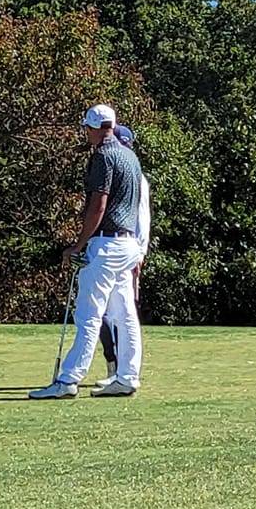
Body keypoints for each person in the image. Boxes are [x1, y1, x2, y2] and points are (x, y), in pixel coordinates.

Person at [30, 105, 144, 399]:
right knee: (124, 314)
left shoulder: (103, 156)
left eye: (87, 129)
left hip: (105, 244)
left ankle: (68, 379)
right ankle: (127, 376)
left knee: (88, 315)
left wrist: (78, 245)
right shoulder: (130, 156)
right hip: (128, 244)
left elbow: (98, 206)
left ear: (94, 128)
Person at [96, 122, 152, 395]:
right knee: (109, 313)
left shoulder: (135, 176)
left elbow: (141, 219)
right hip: (121, 248)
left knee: (118, 313)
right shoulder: (120, 169)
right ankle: (115, 367)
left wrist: (140, 253)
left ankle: (120, 370)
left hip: (127, 249)